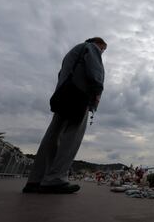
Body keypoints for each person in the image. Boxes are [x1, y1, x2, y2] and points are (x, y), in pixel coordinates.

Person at [22, 37, 106, 194]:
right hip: (79, 96)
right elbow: (96, 72)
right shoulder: (90, 47)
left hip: (63, 95)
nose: (102, 52)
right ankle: (55, 179)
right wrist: (97, 93)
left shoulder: (71, 53)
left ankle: (36, 180)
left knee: (53, 136)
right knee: (71, 138)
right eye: (103, 49)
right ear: (98, 43)